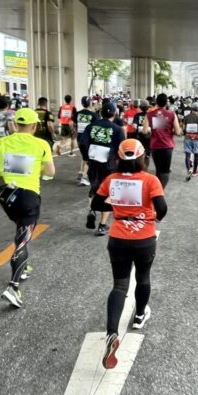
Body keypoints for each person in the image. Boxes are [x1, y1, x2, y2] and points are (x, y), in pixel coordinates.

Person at [91, 139, 167, 369]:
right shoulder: (150, 180)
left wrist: (116, 207)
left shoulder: (111, 180)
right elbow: (162, 209)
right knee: (143, 277)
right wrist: (151, 216)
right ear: (144, 157)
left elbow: (96, 203)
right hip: (144, 238)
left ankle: (112, 333)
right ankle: (140, 315)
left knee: (119, 285)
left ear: (119, 157)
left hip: (118, 238)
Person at [0, 108, 55, 307]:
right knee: (22, 240)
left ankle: (24, 266)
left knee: (20, 228)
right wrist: (40, 171)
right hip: (29, 197)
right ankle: (13, 286)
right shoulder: (41, 144)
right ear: (35, 126)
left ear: (16, 125)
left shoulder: (2, 142)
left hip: (6, 196)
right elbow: (51, 172)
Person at [83, 101, 126, 236]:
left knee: (94, 187)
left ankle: (91, 210)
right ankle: (102, 225)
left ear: (101, 113)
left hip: (93, 162)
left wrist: (86, 157)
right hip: (110, 164)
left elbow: (83, 142)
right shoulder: (118, 129)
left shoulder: (91, 127)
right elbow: (122, 149)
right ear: (115, 114)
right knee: (108, 193)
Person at [144, 93, 182, 187]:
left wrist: (152, 130)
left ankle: (156, 191)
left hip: (155, 145)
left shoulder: (149, 114)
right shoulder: (171, 114)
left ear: (156, 102)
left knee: (158, 170)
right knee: (165, 171)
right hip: (167, 146)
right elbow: (178, 132)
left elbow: (145, 131)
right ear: (166, 103)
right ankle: (160, 192)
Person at [74, 96, 96, 186]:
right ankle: (85, 176)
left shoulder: (78, 113)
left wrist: (75, 130)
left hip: (79, 137)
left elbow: (72, 123)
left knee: (84, 155)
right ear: (90, 103)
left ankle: (81, 171)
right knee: (88, 157)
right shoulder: (93, 114)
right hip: (89, 138)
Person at [181, 101, 198, 180]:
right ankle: (195, 171)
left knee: (188, 155)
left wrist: (186, 133)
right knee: (196, 155)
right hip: (197, 138)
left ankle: (189, 170)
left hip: (187, 137)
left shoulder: (186, 117)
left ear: (191, 108)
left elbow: (184, 128)